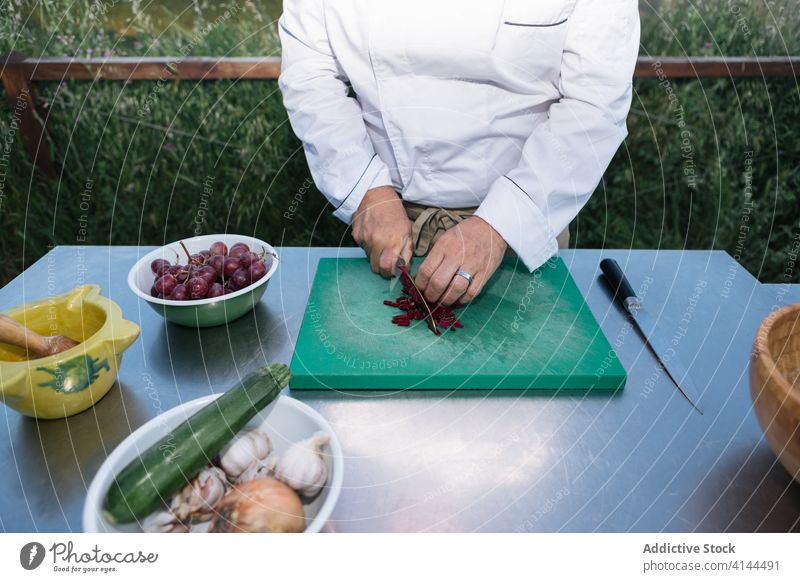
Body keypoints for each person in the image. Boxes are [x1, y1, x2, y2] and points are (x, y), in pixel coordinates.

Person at [278, 1, 639, 306]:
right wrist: (365, 190)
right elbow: (309, 76)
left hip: (523, 228)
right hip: (385, 227)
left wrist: (501, 225)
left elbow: (595, 103)